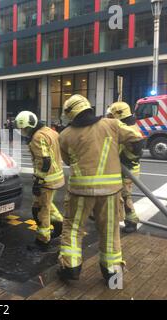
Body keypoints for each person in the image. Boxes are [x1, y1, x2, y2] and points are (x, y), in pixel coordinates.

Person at [58, 95, 144, 284]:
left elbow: (67, 161)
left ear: (71, 114)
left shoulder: (64, 135)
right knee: (110, 231)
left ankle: (70, 268)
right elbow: (137, 140)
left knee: (73, 229)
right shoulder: (111, 125)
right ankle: (113, 275)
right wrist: (127, 158)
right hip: (110, 191)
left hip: (79, 192)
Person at [14, 111, 65, 251]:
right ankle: (60, 224)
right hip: (57, 176)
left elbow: (45, 161)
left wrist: (39, 181)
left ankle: (43, 241)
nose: (24, 131)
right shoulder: (50, 131)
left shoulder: (37, 137)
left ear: (31, 125)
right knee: (46, 205)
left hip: (47, 180)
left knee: (40, 210)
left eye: (24, 128)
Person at [107, 101, 141, 233]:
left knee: (126, 196)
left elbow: (128, 149)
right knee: (125, 195)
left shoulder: (127, 129)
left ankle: (131, 221)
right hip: (130, 168)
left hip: (127, 169)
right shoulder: (131, 126)